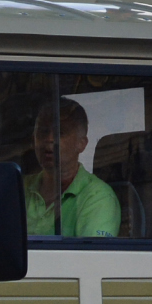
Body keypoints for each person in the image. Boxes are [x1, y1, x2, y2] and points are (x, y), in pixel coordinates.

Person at [24, 98, 121, 239]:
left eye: (60, 132)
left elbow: (92, 253)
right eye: (43, 132)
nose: (49, 139)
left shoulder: (98, 197)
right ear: (34, 139)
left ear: (81, 144)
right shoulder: (18, 188)